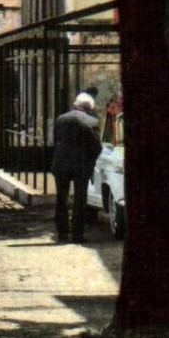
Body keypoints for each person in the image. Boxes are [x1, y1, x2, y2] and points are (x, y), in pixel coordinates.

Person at [53, 92, 103, 243]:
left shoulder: (61, 119)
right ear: (89, 108)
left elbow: (56, 140)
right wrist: (91, 161)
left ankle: (62, 233)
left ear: (76, 105)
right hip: (81, 165)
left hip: (61, 164)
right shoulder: (91, 122)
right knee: (80, 199)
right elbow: (96, 147)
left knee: (61, 198)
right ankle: (77, 235)